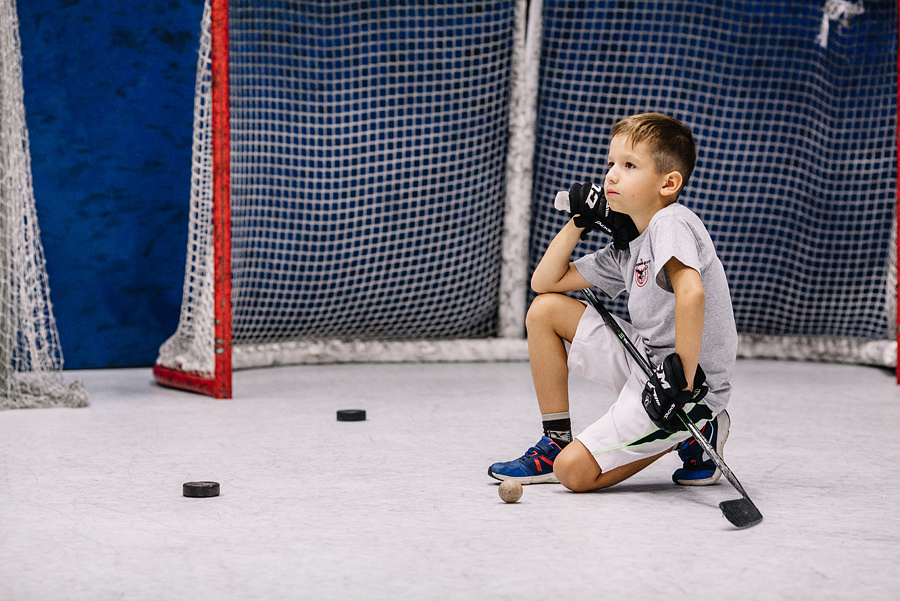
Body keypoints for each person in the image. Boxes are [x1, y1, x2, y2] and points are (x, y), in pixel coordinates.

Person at [489, 113, 738, 492]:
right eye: (610, 164)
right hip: (651, 364)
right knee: (545, 311)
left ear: (669, 183)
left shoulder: (671, 222)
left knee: (573, 472)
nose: (611, 176)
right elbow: (545, 282)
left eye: (629, 165)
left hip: (688, 384)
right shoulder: (628, 245)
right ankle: (554, 439)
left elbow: (692, 294)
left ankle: (698, 426)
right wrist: (580, 221)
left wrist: (681, 385)